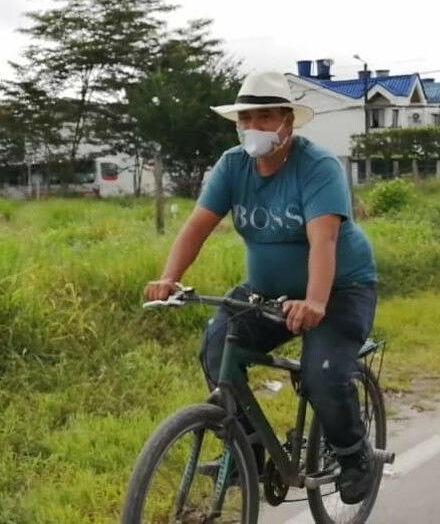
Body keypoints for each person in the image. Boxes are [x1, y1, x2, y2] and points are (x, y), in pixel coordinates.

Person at [144, 72, 378, 505]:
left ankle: (353, 455)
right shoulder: (233, 165)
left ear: (288, 121)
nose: (254, 127)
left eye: (266, 116)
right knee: (218, 347)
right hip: (266, 293)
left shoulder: (318, 168)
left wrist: (315, 302)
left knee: (322, 374)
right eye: (246, 118)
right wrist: (169, 278)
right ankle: (246, 448)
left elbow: (323, 240)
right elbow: (197, 226)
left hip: (340, 289)